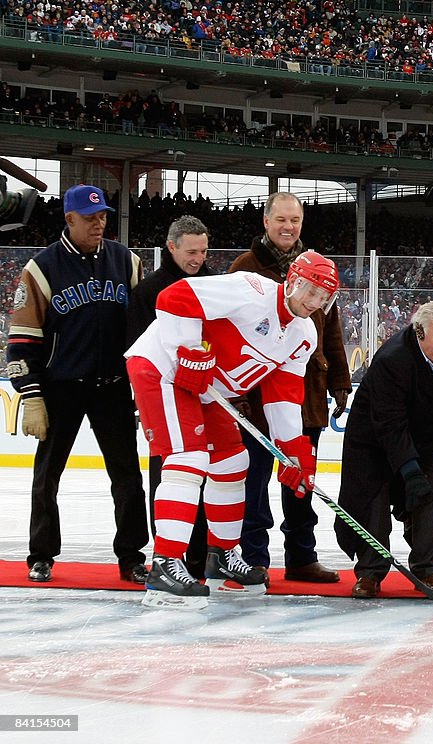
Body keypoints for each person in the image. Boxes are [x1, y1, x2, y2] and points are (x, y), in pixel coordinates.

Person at [125, 250, 339, 609]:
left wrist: (293, 450)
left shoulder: (303, 336)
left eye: (322, 296)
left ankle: (221, 557)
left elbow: (282, 395)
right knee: (189, 458)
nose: (313, 301)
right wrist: (189, 350)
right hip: (162, 369)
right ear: (292, 280)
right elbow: (175, 297)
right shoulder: (251, 290)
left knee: (232, 462)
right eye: (309, 290)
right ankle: (164, 564)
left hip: (208, 389)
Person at [5, 184, 149, 585]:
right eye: (90, 218)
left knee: (127, 476)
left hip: (114, 386)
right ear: (69, 219)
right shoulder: (41, 267)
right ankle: (41, 555)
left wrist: (143, 382)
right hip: (60, 386)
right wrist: (30, 393)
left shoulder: (127, 261)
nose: (98, 224)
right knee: (47, 475)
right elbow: (21, 337)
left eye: (102, 216)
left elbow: (146, 328)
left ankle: (132, 556)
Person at [229, 192, 351, 584]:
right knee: (256, 481)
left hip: (308, 394)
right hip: (257, 394)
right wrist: (240, 397)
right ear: (266, 222)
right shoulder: (246, 268)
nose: (288, 227)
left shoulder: (319, 269)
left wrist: (339, 381)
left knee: (301, 478)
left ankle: (301, 556)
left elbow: (331, 331)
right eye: (281, 220)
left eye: (295, 221)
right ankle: (254, 557)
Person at [334, 299, 433, 599]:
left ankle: (427, 568)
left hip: (430, 434)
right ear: (420, 332)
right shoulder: (393, 358)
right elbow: (390, 424)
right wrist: (409, 470)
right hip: (374, 440)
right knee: (373, 498)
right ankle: (370, 571)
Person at [126, 215, 213, 579]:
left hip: (206, 395)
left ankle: (199, 556)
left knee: (205, 475)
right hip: (163, 398)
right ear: (172, 247)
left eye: (204, 251)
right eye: (191, 251)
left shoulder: (213, 286)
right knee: (168, 476)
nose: (198, 258)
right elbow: (135, 350)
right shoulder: (149, 292)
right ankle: (168, 555)